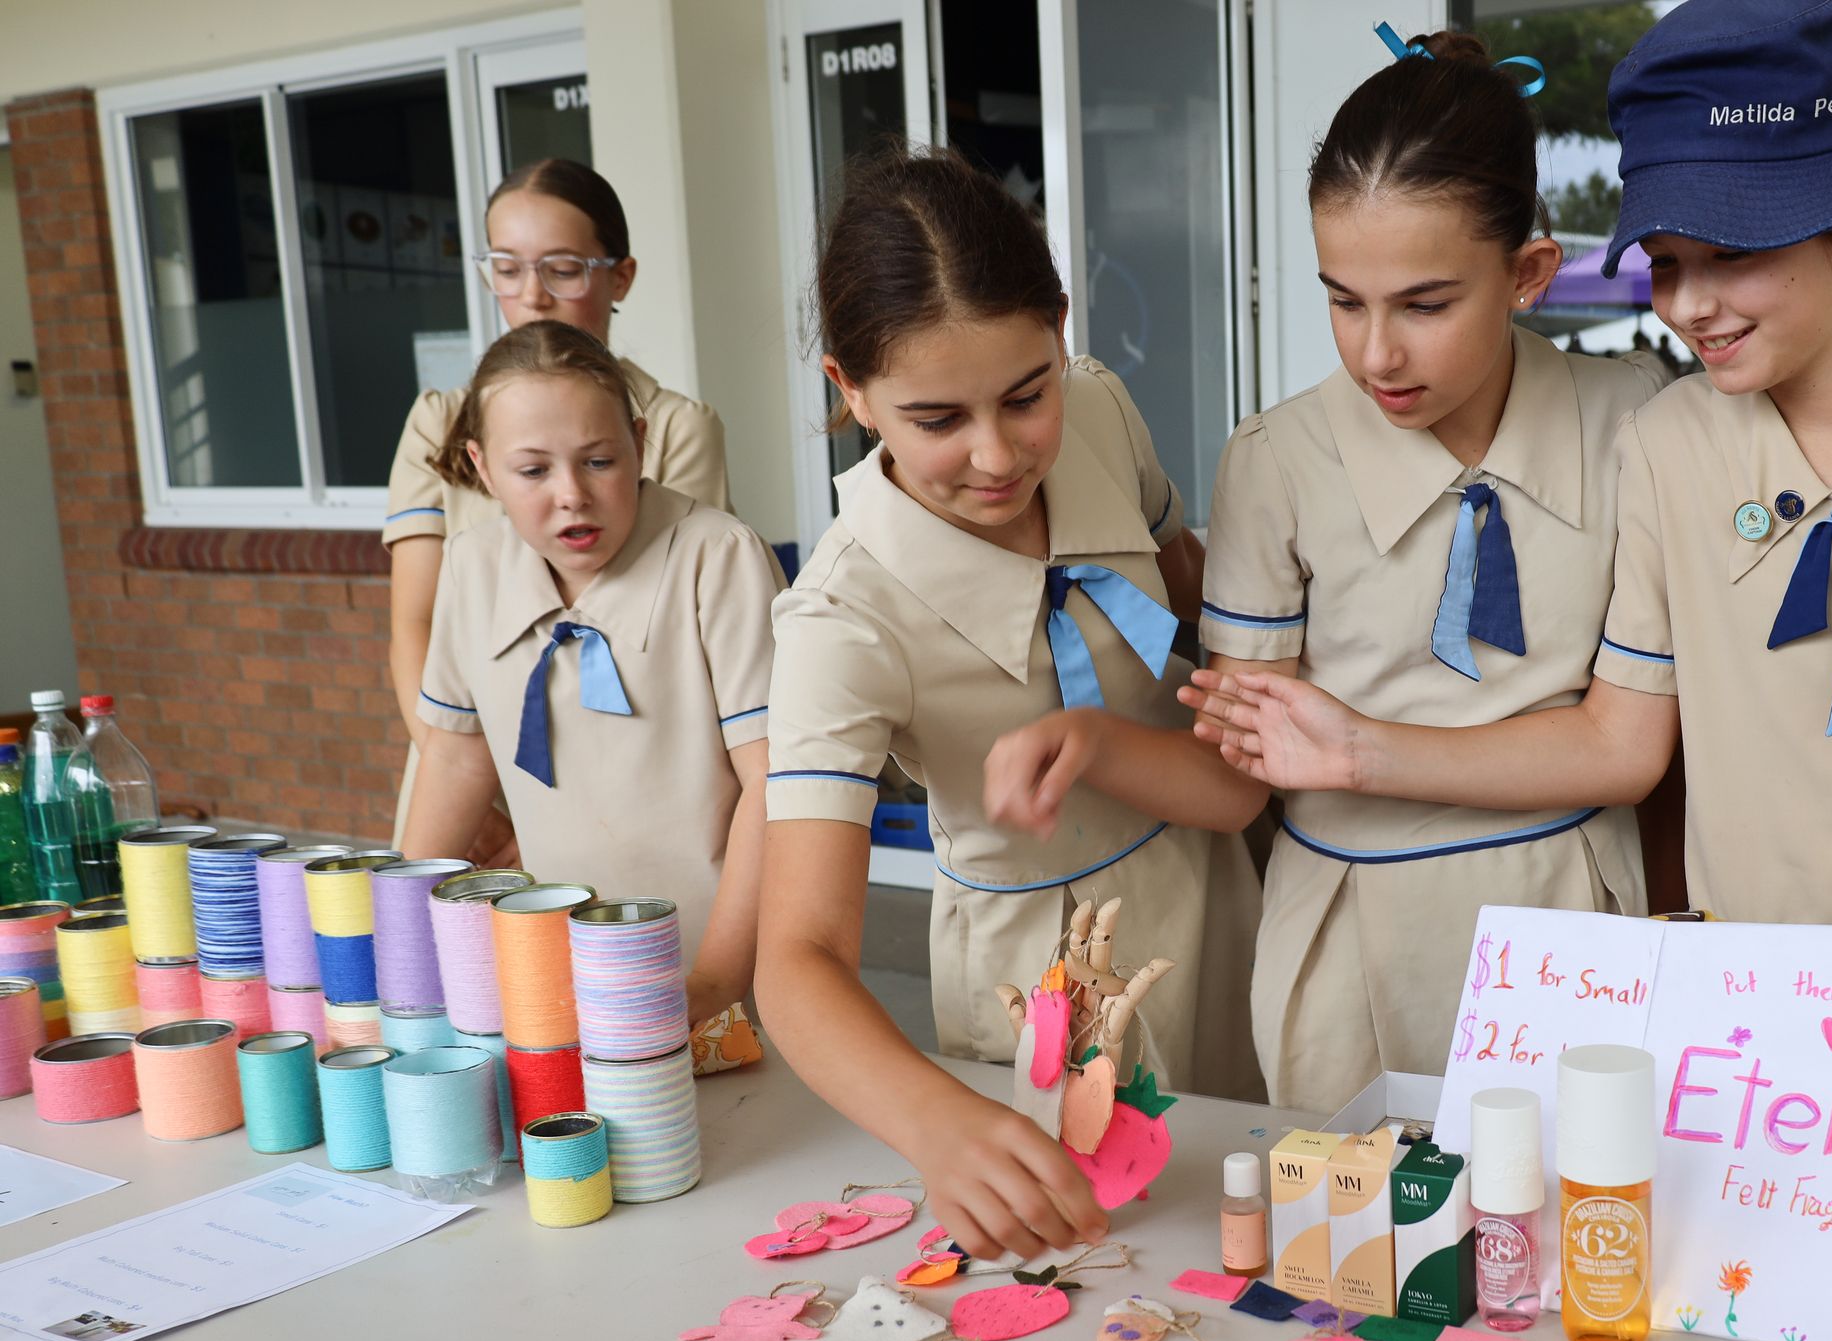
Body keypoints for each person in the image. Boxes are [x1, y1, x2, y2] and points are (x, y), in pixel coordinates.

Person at [1189, 0, 1832, 942]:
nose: (1688, 306)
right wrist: (1355, 748)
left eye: (1731, 251)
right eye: (1665, 262)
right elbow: (1625, 743)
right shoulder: (1665, 445)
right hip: (1751, 1001)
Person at [1112, 28, 1663, 1116]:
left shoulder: (1635, 423)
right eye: (1343, 300)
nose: (1376, 354)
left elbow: (1629, 749)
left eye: (1424, 304)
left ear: (1528, 274)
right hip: (1345, 940)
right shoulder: (1276, 461)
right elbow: (1248, 764)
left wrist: (1361, 751)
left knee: (1585, 1209)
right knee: (1351, 1215)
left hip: (1572, 923)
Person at [758, 146, 1261, 1261]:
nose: (995, 455)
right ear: (849, 390)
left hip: (1213, 890)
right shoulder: (841, 616)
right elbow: (795, 956)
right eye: (936, 418)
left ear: (1062, 332)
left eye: (1026, 395)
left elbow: (1199, 622)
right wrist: (937, 1121)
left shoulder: (1102, 416)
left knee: (1250, 1221)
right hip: (1029, 971)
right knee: (1090, 1264)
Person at [402, 320, 776, 1028]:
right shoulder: (471, 566)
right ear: (483, 468)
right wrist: (395, 941)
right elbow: (455, 756)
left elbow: (773, 780)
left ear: (640, 442)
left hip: (717, 960)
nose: (571, 494)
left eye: (599, 461)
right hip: (551, 967)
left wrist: (718, 979)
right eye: (533, 471)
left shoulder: (718, 557)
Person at [383, 158, 732, 858]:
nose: (532, 295)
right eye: (507, 268)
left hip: (616, 768)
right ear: (483, 463)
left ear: (619, 277)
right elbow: (415, 621)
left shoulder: (674, 427)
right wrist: (474, 790)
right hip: (461, 763)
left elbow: (669, 626)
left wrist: (546, 814)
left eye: (563, 269)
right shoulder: (440, 419)